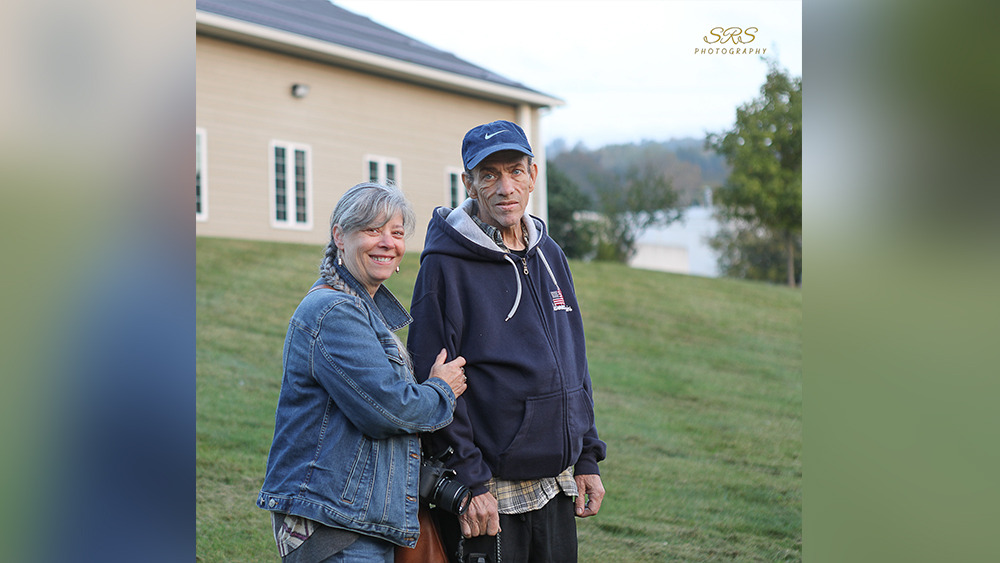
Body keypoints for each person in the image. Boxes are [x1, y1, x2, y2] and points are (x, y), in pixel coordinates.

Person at [407, 121, 607, 563]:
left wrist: (587, 457)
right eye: (490, 175)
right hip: (490, 494)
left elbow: (574, 362)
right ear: (469, 183)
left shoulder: (551, 254)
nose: (505, 187)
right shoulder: (444, 266)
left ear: (533, 175)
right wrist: (471, 480)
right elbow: (431, 382)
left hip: (556, 484)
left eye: (515, 171)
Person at [257, 182, 469, 563]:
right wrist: (442, 389)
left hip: (357, 522)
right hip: (337, 528)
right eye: (373, 230)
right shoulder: (334, 312)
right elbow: (389, 408)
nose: (387, 242)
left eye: (397, 233)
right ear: (340, 236)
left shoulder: (362, 310)